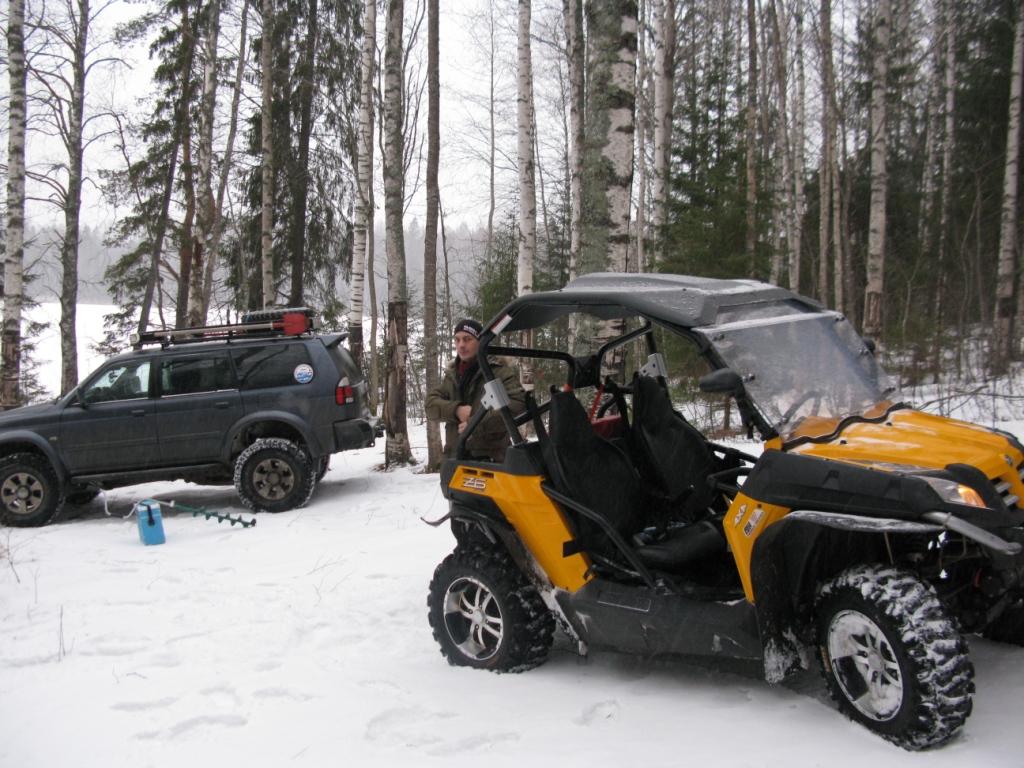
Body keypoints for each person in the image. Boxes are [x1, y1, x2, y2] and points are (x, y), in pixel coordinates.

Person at [425, 318, 526, 461]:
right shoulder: (452, 375)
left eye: (467, 339)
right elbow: (430, 405)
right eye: (457, 340)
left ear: (480, 341)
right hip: (455, 459)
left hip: (490, 459)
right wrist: (456, 410)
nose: (461, 345)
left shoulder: (497, 372)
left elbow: (516, 404)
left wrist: (475, 424)